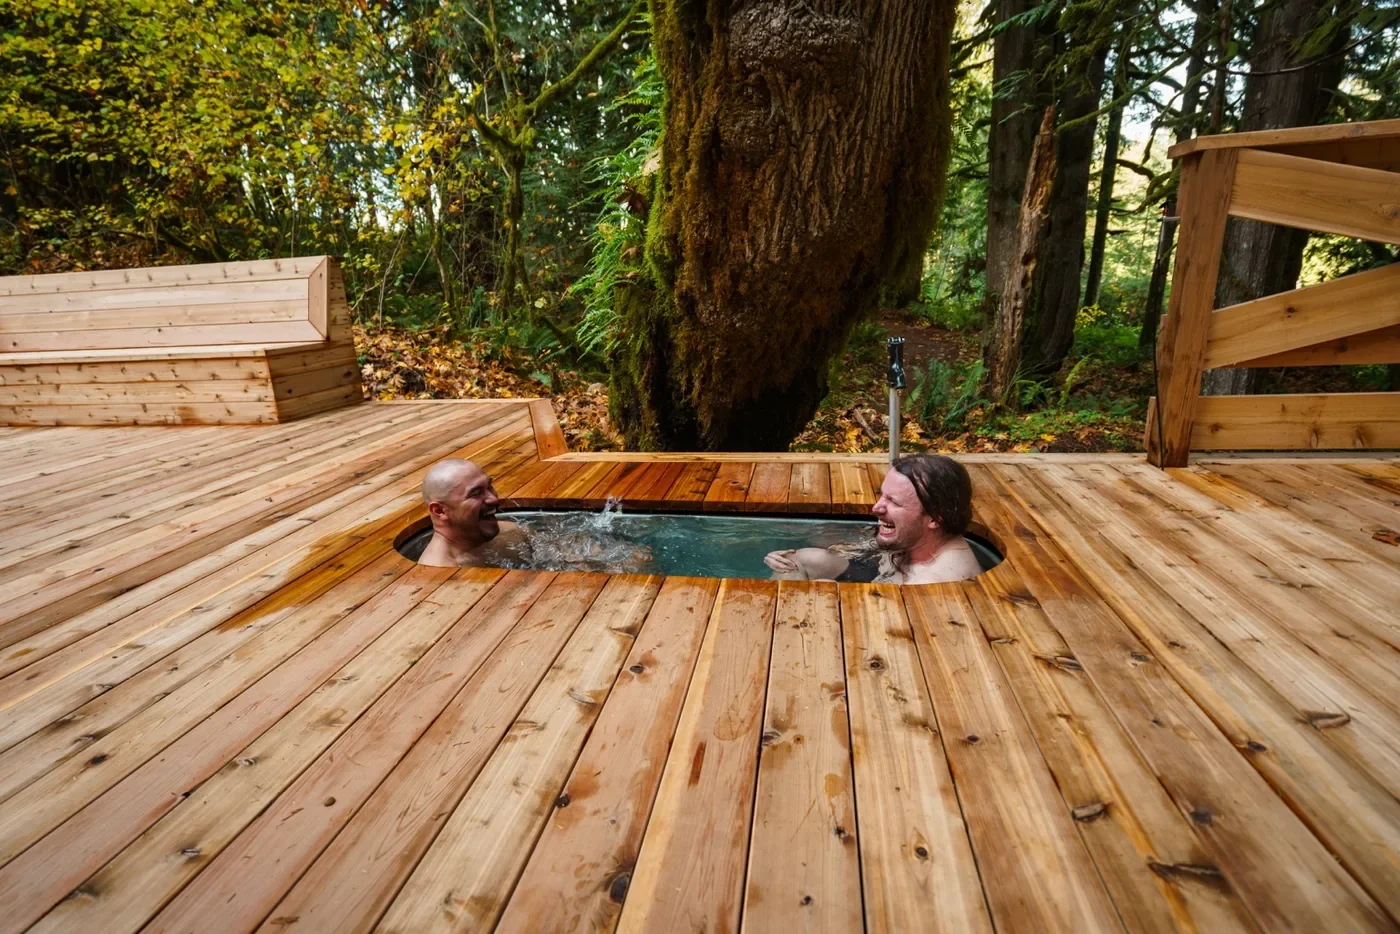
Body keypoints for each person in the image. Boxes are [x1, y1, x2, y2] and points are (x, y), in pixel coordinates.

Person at [765, 453, 982, 584]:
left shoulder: (934, 582)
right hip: (883, 578)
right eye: (882, 494)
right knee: (794, 561)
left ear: (934, 519)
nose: (876, 507)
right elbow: (860, 549)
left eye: (894, 502)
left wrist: (831, 594)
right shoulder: (917, 538)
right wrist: (783, 556)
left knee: (820, 588)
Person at [416, 458, 529, 567]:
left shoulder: (513, 532)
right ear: (440, 511)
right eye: (475, 493)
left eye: (489, 486)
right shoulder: (441, 572)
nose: (493, 499)